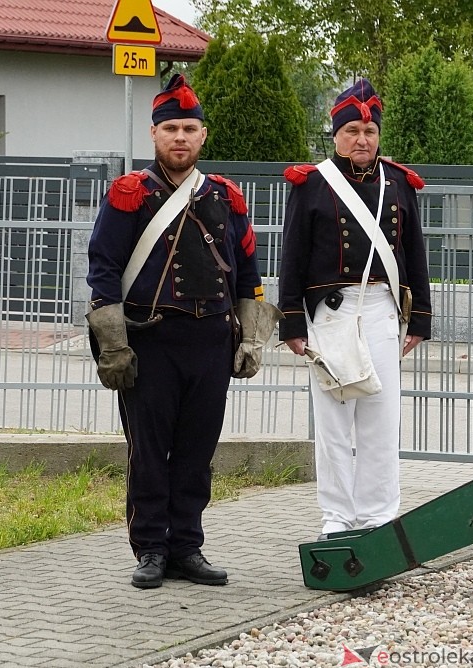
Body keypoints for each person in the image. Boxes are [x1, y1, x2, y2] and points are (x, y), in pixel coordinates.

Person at [85, 74, 281, 589]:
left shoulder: (224, 197)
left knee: (197, 452)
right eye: (170, 127)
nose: (179, 137)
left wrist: (252, 337)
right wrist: (114, 344)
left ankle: (187, 546)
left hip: (210, 341)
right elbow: (103, 269)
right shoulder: (131, 194)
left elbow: (248, 273)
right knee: (149, 453)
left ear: (203, 135)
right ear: (154, 135)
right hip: (151, 341)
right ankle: (150, 548)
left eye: (188, 128)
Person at [278, 78, 432, 538]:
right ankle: (337, 518)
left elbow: (415, 253)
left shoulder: (399, 183)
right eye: (352, 131)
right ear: (336, 135)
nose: (361, 140)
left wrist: (419, 318)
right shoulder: (311, 185)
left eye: (369, 131)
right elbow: (292, 256)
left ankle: (380, 517)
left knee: (381, 421)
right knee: (333, 422)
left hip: (383, 308)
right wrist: (291, 320)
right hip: (332, 312)